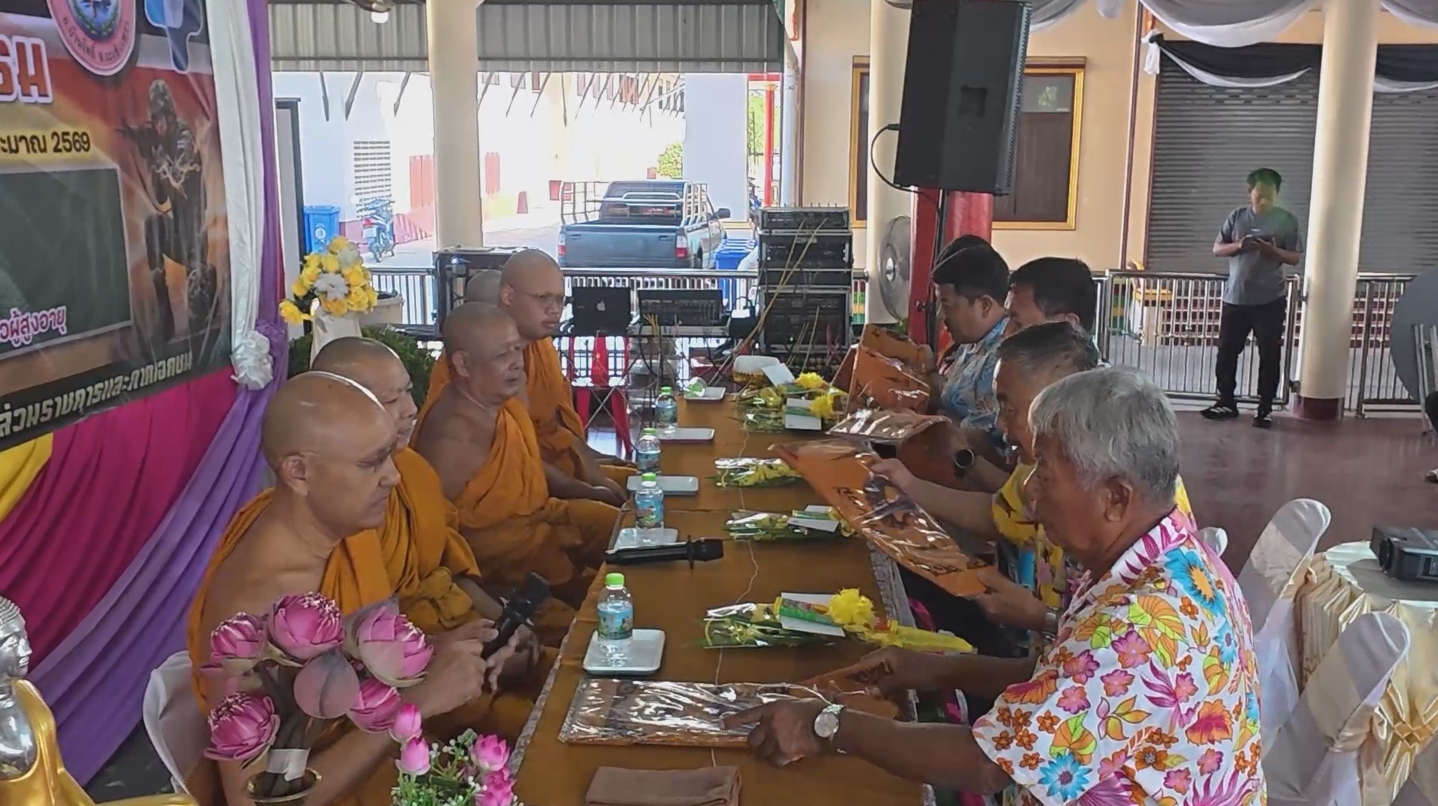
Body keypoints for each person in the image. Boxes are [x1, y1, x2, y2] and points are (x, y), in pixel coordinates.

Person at [726, 368, 1264, 806]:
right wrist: (938, 668)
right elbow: (1060, 681)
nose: (1028, 493)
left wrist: (827, 726)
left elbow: (987, 763)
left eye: (1044, 475)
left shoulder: (1138, 625)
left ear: (1115, 497)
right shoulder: (1169, 557)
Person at [187, 373, 520, 806]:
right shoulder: (254, 608)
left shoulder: (330, 530)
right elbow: (257, 802)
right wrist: (414, 704)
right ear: (299, 472)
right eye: (372, 463)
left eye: (389, 456)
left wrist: (438, 651)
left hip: (393, 766)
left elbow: (341, 668)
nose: (394, 477)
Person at [876, 324, 1195, 636]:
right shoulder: (1048, 469)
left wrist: (1046, 620)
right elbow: (998, 513)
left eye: (1010, 408)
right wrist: (909, 484)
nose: (1000, 425)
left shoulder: (1133, 509)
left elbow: (1101, 640)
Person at [310, 336, 562, 671]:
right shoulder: (328, 509)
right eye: (391, 400)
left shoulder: (414, 471)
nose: (411, 409)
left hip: (462, 629)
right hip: (409, 669)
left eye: (408, 392)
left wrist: (503, 626)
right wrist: (459, 655)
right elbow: (350, 655)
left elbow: (452, 570)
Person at [412, 303, 619, 644]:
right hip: (505, 571)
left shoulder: (499, 400)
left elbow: (529, 463)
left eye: (517, 350)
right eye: (501, 355)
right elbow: (439, 540)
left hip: (543, 524)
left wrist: (587, 489)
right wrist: (492, 599)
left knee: (625, 527)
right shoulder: (452, 436)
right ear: (462, 364)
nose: (517, 363)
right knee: (587, 629)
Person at [1203, 168, 1304, 429]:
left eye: (1271, 192)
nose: (1265, 197)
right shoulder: (1237, 217)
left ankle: (1265, 407)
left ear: (1277, 193)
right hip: (1235, 298)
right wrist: (1239, 246)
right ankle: (1226, 401)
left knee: (1269, 355)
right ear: (1250, 192)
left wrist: (1272, 251)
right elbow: (1217, 248)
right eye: (1261, 192)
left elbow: (1295, 257)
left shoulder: (1287, 220)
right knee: (1227, 352)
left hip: (1270, 301)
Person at [928, 245, 1009, 436]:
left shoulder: (1003, 356)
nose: (940, 316)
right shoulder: (971, 341)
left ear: (984, 305)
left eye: (947, 305)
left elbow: (983, 436)